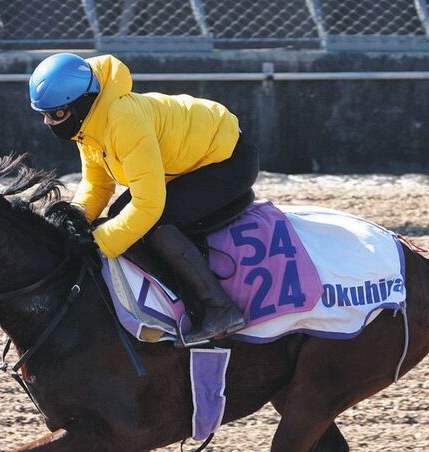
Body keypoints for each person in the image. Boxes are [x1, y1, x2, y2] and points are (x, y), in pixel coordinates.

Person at [28, 52, 259, 345]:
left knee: (154, 223)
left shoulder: (123, 119)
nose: (49, 122)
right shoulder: (90, 123)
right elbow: (98, 184)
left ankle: (220, 308)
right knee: (120, 216)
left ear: (80, 102)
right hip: (192, 161)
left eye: (56, 114)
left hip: (228, 159)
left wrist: (100, 243)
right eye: (43, 114)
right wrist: (73, 222)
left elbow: (149, 206)